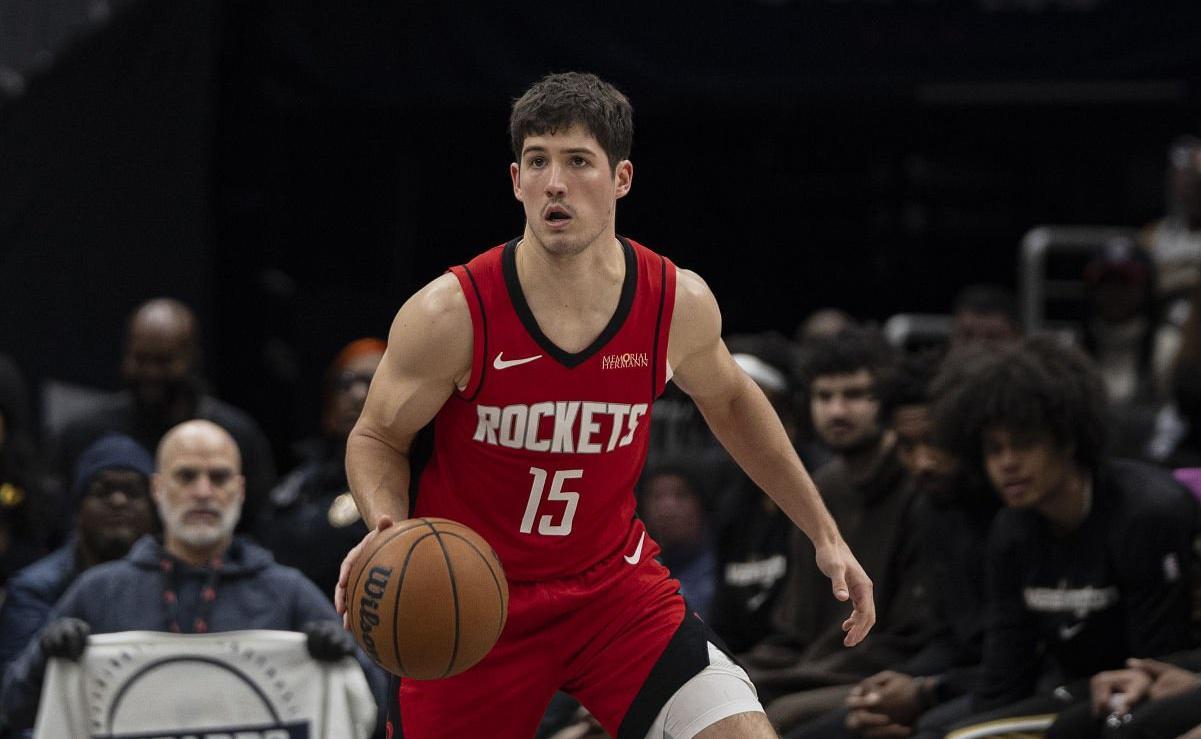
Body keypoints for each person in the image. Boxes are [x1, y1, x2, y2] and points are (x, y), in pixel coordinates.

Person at [335, 72, 874, 739]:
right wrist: (387, 527)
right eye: (538, 162)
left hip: (613, 593)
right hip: (472, 601)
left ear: (621, 178)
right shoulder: (452, 312)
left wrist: (823, 533)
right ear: (515, 181)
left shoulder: (673, 300)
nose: (555, 183)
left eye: (577, 161)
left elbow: (733, 401)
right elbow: (376, 436)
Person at [0, 420, 370, 733]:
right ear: (158, 489)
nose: (203, 492)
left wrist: (347, 656)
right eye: (186, 476)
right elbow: (12, 709)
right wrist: (44, 657)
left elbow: (372, 708)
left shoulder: (287, 592)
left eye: (219, 477)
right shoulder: (98, 592)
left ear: (240, 490)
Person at [931, 336, 1199, 737]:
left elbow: (1159, 661)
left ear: (1068, 439)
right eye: (993, 449)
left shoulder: (1146, 514)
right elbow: (1004, 674)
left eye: (1023, 445)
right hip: (1070, 687)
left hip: (1143, 693)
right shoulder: (1012, 529)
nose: (1007, 464)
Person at [743, 329, 934, 734]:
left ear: (884, 400)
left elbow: (909, 636)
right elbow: (794, 631)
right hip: (813, 670)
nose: (837, 411)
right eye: (824, 396)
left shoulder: (920, 483)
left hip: (884, 672)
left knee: (773, 717)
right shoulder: (819, 488)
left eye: (854, 394)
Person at [50, 298, 276, 534]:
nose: (151, 373)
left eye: (163, 361)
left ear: (192, 358)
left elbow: (260, 525)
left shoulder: (234, 436)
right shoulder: (85, 434)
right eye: (141, 359)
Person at [0, 435, 157, 680]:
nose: (118, 501)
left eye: (133, 492)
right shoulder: (34, 589)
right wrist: (42, 652)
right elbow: (10, 692)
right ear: (77, 508)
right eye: (102, 491)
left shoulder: (173, 581)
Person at [257, 338, 384, 597]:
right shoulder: (301, 481)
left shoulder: (412, 477)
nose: (357, 395)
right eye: (345, 383)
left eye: (371, 382)